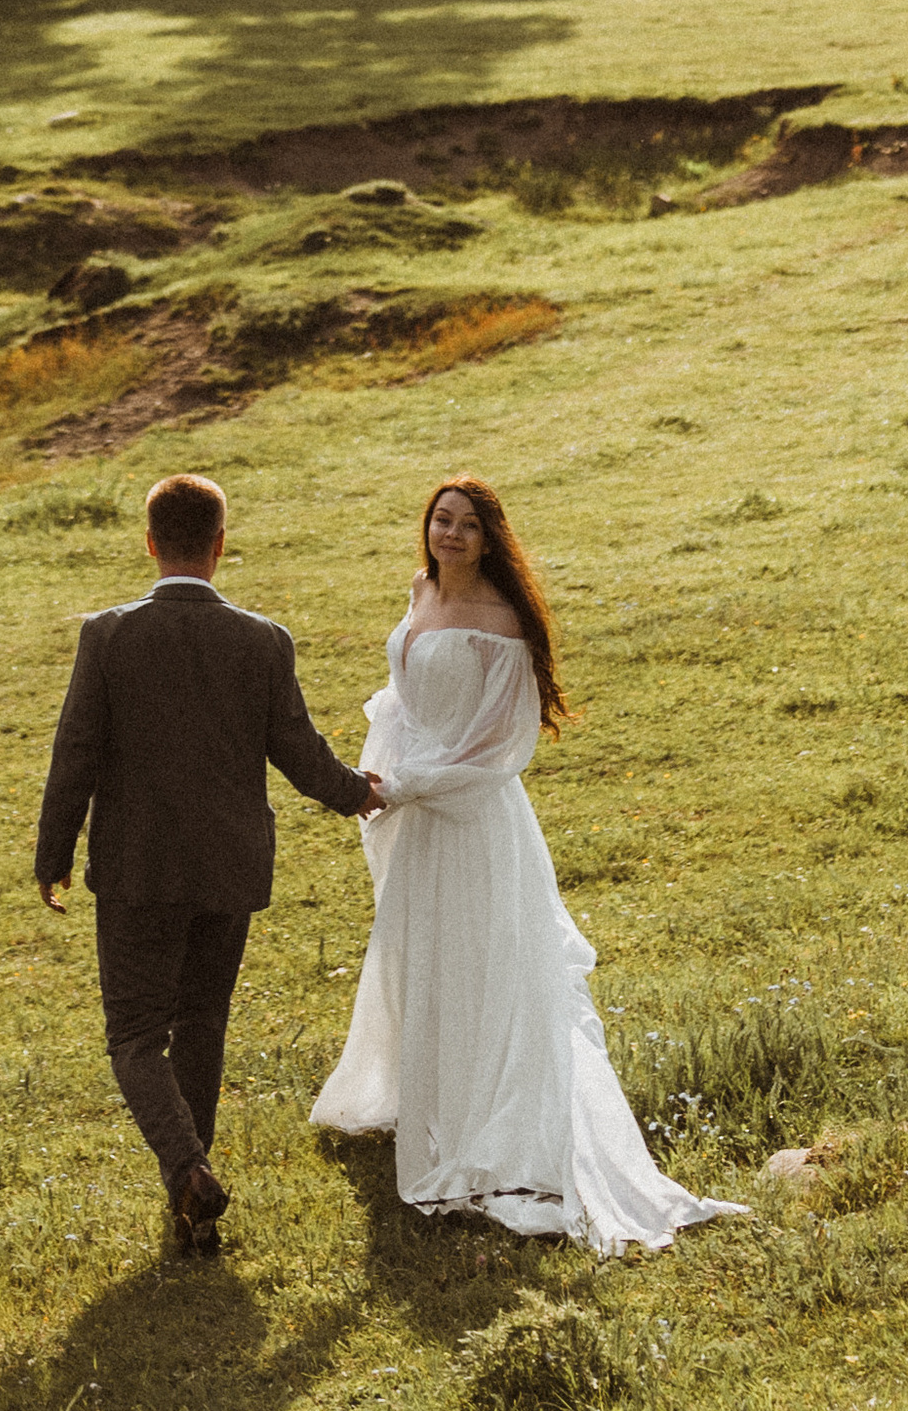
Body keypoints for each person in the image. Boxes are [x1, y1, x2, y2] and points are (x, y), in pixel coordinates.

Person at [310, 473, 743, 1255]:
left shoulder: (501, 620)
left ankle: (499, 1122)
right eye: (441, 520)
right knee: (421, 955)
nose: (450, 536)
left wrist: (406, 784)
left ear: (490, 539)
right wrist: (381, 769)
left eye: (468, 526)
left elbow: (497, 749)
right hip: (417, 813)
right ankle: (435, 1100)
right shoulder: (422, 589)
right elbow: (406, 699)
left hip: (472, 817)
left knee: (486, 961)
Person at [35, 470, 386, 1256]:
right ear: (221, 546)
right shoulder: (263, 639)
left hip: (136, 867)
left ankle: (187, 1169)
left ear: (151, 543)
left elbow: (76, 752)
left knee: (134, 1036)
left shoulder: (110, 633)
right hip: (230, 867)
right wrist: (356, 794)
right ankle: (191, 1202)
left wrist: (53, 853)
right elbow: (297, 750)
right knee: (202, 1024)